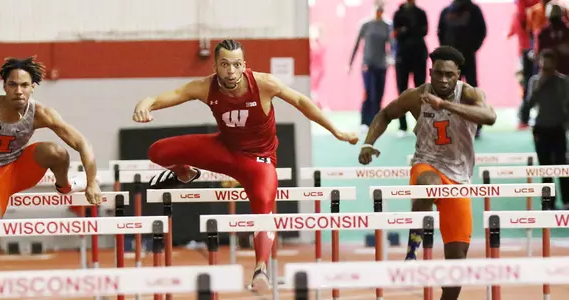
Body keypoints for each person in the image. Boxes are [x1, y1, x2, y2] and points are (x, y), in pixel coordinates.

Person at [133, 39, 359, 291]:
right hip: (224, 150)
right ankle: (185, 173)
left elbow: (301, 102)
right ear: (216, 66)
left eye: (236, 64)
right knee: (158, 150)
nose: (231, 71)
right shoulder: (205, 87)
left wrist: (336, 131)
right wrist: (148, 102)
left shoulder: (263, 84)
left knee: (264, 202)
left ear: (244, 65)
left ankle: (260, 268)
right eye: (225, 65)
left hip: (257, 160)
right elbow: (175, 94)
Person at [0, 56, 102, 273]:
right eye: (13, 85)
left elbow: (82, 143)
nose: (18, 91)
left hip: (22, 168)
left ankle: (65, 187)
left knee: (55, 151)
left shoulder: (40, 113)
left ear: (33, 87)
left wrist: (91, 183)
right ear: (4, 86)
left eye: (24, 85)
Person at [358, 46, 496, 300]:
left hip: (459, 177)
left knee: (457, 268)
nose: (443, 80)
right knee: (429, 184)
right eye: (439, 74)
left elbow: (489, 117)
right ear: (430, 72)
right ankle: (414, 245)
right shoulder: (417, 96)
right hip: (427, 163)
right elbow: (386, 114)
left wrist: (445, 104)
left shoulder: (469, 94)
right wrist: (369, 143)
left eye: (449, 75)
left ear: (458, 75)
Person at [520, 49, 569, 209]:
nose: (546, 66)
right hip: (541, 128)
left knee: (562, 165)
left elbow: (566, 103)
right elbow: (529, 103)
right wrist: (539, 85)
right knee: (545, 167)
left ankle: (567, 200)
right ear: (539, 63)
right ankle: (548, 202)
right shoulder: (534, 81)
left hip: (558, 128)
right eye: (543, 62)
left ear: (555, 64)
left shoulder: (563, 81)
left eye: (549, 62)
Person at [437, 0, 487, 138]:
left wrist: (472, 48)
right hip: (451, 61)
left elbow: (482, 31)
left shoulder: (474, 10)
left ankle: (476, 125)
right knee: (450, 91)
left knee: (471, 91)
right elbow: (440, 32)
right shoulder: (446, 11)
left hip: (468, 57)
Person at [348, 3, 394, 133]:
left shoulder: (387, 25)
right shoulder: (366, 24)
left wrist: (391, 59)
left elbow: (391, 45)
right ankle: (365, 121)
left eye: (381, 10)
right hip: (368, 65)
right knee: (369, 93)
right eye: (377, 9)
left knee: (379, 94)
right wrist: (350, 63)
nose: (379, 12)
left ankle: (376, 121)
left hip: (381, 65)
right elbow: (357, 44)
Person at [392, 0, 429, 136]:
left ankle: (422, 123)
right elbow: (395, 33)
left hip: (419, 56)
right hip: (402, 57)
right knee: (402, 91)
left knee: (421, 91)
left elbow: (425, 31)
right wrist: (406, 31)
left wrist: (407, 31)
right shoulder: (398, 13)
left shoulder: (421, 13)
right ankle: (402, 126)